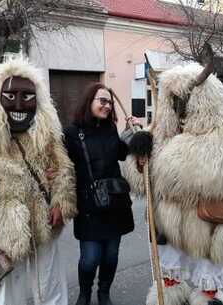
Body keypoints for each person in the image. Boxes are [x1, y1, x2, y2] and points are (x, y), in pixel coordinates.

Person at [122, 62, 223, 305]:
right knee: (170, 263)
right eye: (172, 100)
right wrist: (139, 157)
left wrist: (166, 164)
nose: (178, 108)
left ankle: (208, 297)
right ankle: (172, 292)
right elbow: (143, 183)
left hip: (206, 218)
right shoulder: (163, 128)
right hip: (169, 217)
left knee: (208, 262)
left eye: (181, 100)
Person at [0, 56, 77, 305]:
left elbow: (62, 170)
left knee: (49, 284)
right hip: (6, 228)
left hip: (44, 222)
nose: (20, 104)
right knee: (7, 291)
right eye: (11, 96)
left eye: (27, 96)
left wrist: (60, 203)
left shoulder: (45, 136)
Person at [63, 82, 141, 305]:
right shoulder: (71, 133)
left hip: (115, 204)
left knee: (111, 256)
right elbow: (61, 166)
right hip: (89, 207)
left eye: (110, 102)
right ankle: (84, 293)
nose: (107, 106)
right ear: (90, 102)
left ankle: (104, 292)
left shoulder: (109, 129)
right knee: (90, 259)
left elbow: (121, 153)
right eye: (102, 101)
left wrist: (133, 131)